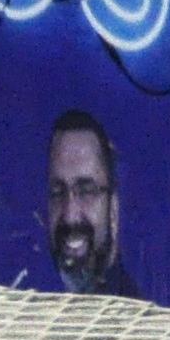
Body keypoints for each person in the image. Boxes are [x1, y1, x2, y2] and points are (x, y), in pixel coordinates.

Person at [39, 112, 142, 297]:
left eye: (86, 191)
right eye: (57, 192)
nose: (70, 214)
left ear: (113, 209)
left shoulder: (136, 320)